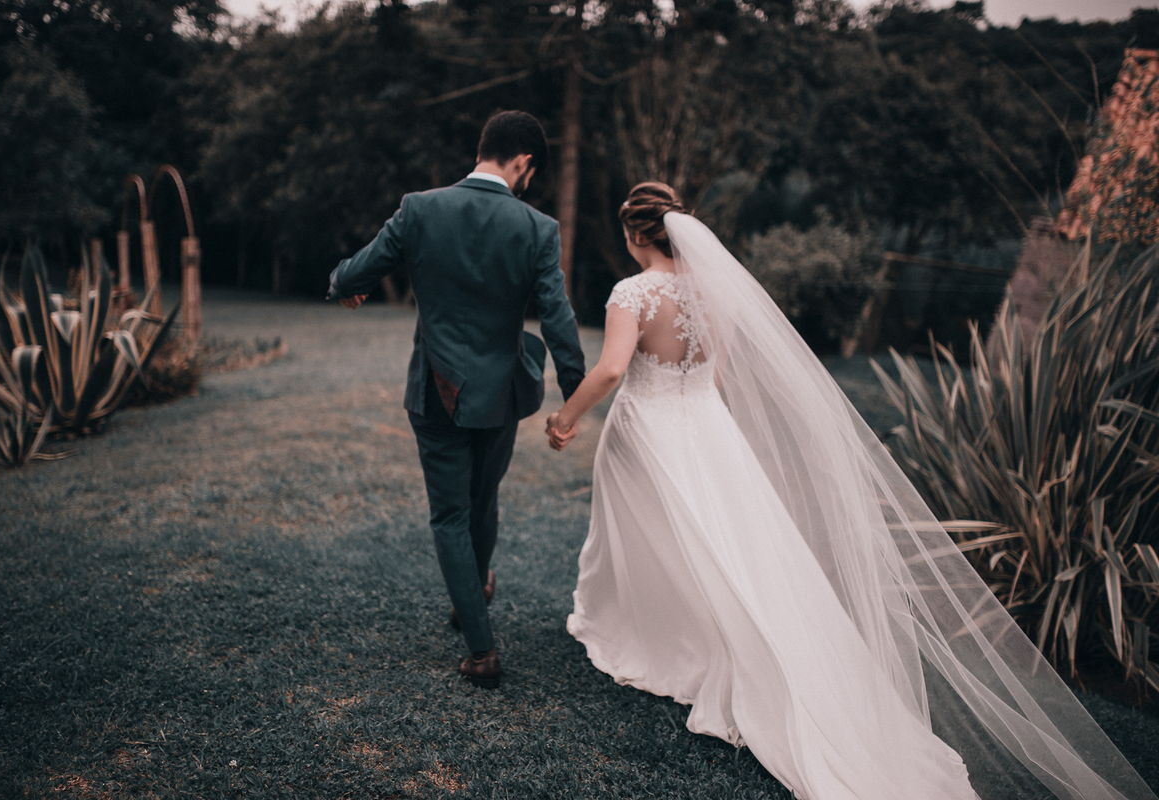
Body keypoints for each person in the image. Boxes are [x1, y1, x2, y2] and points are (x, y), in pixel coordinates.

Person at [543, 182, 1157, 800]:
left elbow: (613, 368)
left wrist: (566, 419)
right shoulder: (714, 291)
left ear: (634, 235)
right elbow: (718, 369)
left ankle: (654, 632)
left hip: (649, 427)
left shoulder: (633, 292)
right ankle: (710, 634)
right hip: (705, 425)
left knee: (649, 534)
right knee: (731, 543)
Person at [328, 110, 585, 690]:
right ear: (523, 162)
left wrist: (349, 285)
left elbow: (352, 275)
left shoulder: (420, 208)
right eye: (530, 172)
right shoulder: (538, 227)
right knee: (482, 497)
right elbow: (560, 320)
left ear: (483, 149)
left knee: (450, 513)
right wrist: (574, 402)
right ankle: (474, 600)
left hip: (435, 393)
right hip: (502, 393)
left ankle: (481, 649)